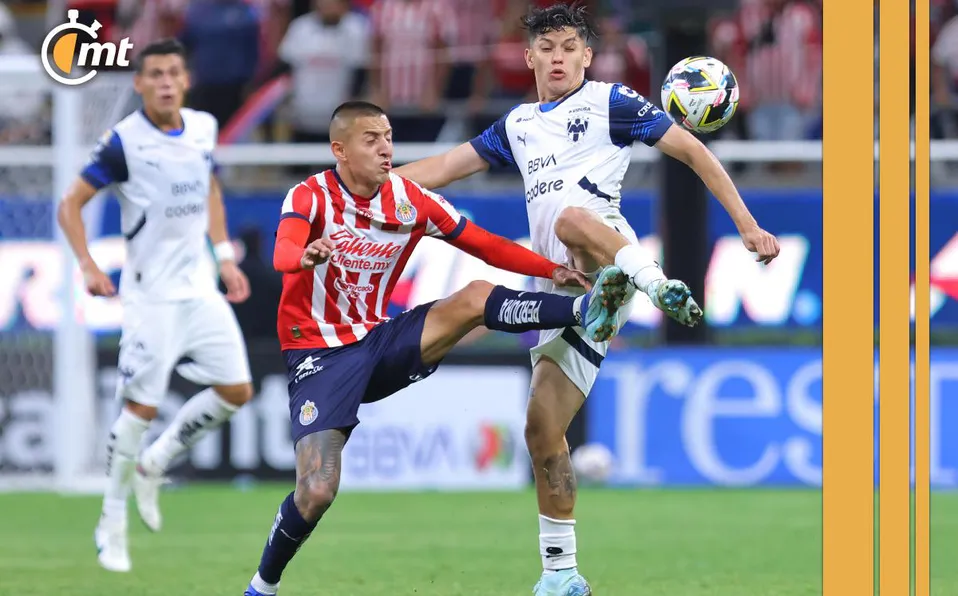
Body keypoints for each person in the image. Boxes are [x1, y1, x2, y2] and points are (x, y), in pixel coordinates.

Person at [393, 5, 781, 595]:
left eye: (568, 46)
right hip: (564, 290)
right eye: (545, 47)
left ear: (586, 56)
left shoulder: (611, 102)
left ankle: (652, 284)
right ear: (529, 58)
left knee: (574, 215)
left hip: (609, 250)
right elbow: (446, 166)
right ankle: (561, 573)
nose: (556, 56)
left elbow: (694, 152)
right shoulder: (518, 126)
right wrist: (368, 184)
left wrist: (748, 226)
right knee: (542, 430)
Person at [242, 100, 633, 596]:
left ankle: (584, 312)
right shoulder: (310, 196)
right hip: (320, 356)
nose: (386, 148)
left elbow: (483, 243)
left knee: (473, 297)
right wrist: (304, 254)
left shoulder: (409, 199)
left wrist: (549, 270)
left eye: (388, 136)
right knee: (317, 490)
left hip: (381, 340)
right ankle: (262, 586)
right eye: (371, 139)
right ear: (339, 150)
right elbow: (281, 254)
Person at [56, 39, 256, 574]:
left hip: (200, 291)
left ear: (185, 80)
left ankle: (156, 462)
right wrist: (88, 265)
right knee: (140, 409)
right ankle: (111, 521)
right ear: (140, 84)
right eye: (155, 75)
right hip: (151, 299)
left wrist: (223, 256)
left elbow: (209, 188)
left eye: (173, 72)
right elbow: (69, 203)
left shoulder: (203, 128)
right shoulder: (123, 143)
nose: (166, 82)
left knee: (237, 390)